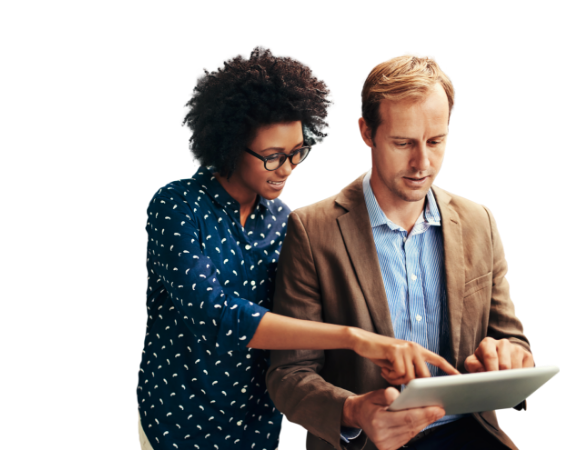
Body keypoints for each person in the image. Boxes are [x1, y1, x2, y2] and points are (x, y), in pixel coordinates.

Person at [137, 46, 460, 450]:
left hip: (258, 424)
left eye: (296, 153)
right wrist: (355, 337)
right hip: (178, 415)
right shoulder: (176, 206)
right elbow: (215, 313)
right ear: (231, 144)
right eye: (273, 157)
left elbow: (298, 318)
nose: (289, 170)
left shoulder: (284, 221)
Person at [265, 51, 535, 450]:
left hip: (468, 433)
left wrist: (509, 358)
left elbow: (512, 340)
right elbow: (288, 375)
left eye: (436, 141)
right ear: (367, 135)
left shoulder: (478, 223)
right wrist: (356, 411)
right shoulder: (311, 231)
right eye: (403, 142)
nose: (422, 163)